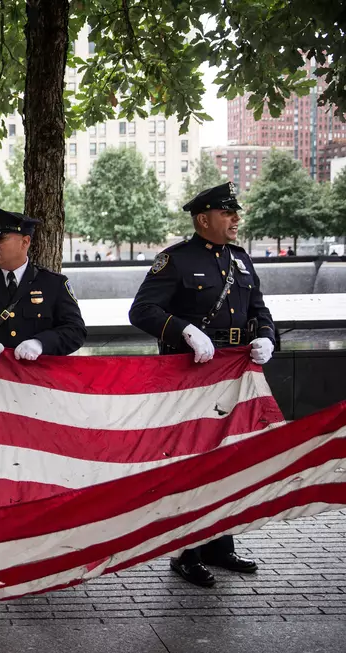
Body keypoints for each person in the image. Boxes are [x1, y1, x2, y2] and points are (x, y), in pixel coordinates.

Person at [128, 181, 276, 589]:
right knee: (192, 462)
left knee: (229, 457)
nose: (235, 219)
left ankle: (219, 546)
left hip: (233, 373)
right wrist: (185, 331)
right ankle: (186, 552)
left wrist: (266, 337)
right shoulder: (175, 260)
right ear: (203, 219)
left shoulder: (241, 260)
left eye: (235, 213)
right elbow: (141, 311)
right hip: (189, 376)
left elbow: (260, 310)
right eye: (228, 213)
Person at [0, 206, 87, 362]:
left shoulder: (54, 284)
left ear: (25, 242)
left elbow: (75, 330)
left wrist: (41, 343)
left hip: (38, 379)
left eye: (1, 238)